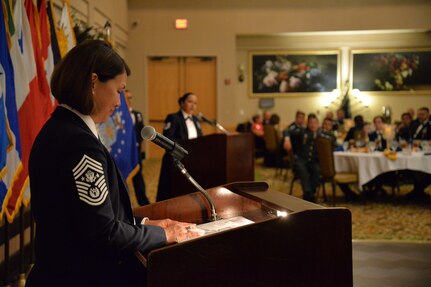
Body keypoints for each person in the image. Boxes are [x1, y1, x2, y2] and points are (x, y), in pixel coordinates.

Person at [26, 40, 199, 287]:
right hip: (80, 277)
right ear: (94, 82)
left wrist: (148, 224)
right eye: (119, 90)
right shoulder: (79, 144)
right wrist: (165, 234)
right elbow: (102, 232)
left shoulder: (61, 128)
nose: (120, 103)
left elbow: (86, 217)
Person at [156, 92, 203, 202]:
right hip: (175, 159)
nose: (193, 105)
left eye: (195, 103)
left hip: (193, 159)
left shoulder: (196, 120)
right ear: (182, 103)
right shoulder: (173, 117)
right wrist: (186, 147)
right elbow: (168, 138)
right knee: (171, 191)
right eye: (190, 102)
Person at [283, 113, 320, 202]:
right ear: (307, 123)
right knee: (302, 170)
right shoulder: (302, 132)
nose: (313, 125)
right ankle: (308, 195)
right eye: (311, 122)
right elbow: (286, 131)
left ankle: (310, 192)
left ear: (318, 124)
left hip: (314, 161)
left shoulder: (320, 134)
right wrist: (287, 139)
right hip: (301, 160)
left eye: (315, 123)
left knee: (317, 170)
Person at [124, 89, 150, 206]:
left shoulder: (138, 115)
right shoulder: (118, 117)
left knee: (139, 180)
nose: (129, 100)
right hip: (124, 153)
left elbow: (141, 133)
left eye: (131, 97)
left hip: (136, 152)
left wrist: (142, 150)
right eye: (126, 97)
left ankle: (144, 203)